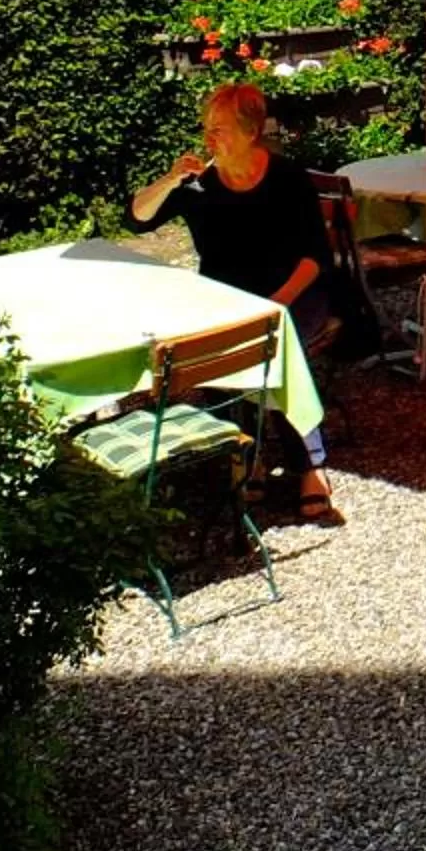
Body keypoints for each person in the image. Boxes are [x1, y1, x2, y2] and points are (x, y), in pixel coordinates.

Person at [132, 83, 344, 525]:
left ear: (250, 132)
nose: (210, 140)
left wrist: (276, 303)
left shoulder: (287, 178)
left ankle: (310, 466)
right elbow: (136, 217)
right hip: (227, 299)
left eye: (220, 130)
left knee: (276, 348)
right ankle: (247, 455)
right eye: (207, 129)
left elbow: (314, 256)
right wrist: (172, 178)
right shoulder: (197, 186)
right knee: (219, 352)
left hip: (292, 294)